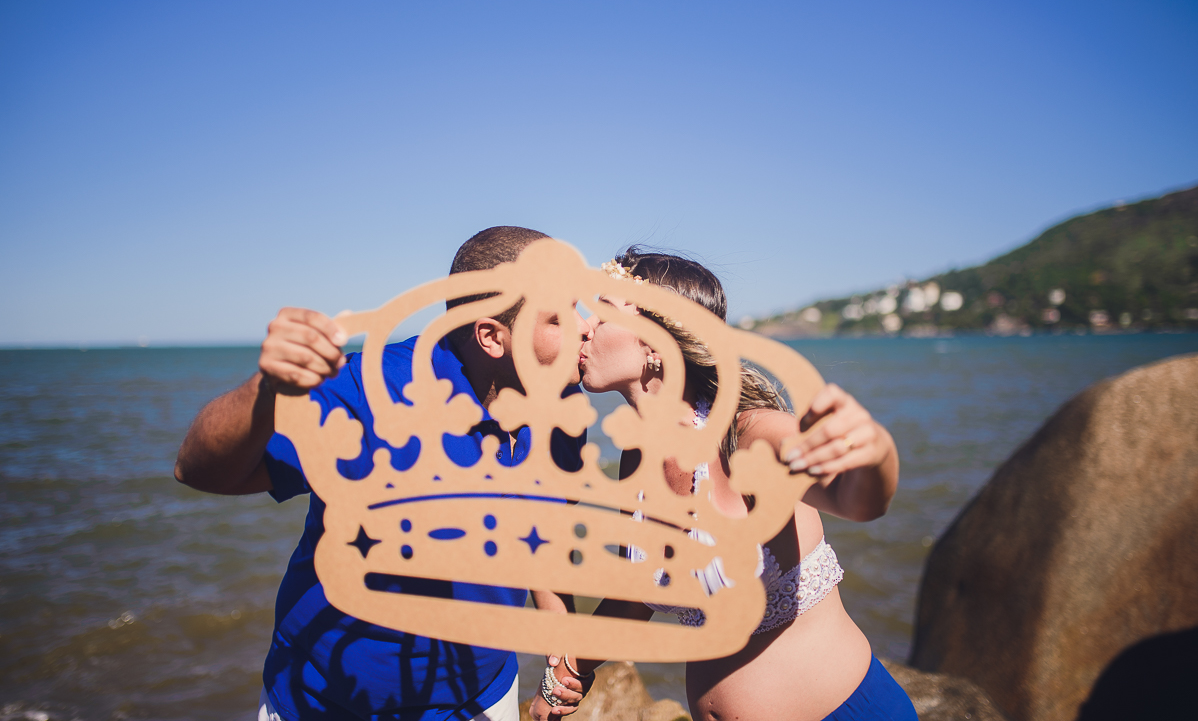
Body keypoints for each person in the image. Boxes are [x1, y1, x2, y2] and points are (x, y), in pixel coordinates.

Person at [175, 226, 591, 721]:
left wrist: (560, 640)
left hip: (483, 698)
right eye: (560, 317)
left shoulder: (563, 407)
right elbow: (199, 470)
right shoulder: (374, 392)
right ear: (492, 338)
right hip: (327, 705)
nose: (587, 326)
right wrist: (265, 390)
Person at [533, 248, 917, 721]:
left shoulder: (749, 433)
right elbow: (635, 594)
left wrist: (875, 451)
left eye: (605, 311)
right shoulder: (637, 458)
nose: (585, 327)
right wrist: (572, 669)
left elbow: (854, 499)